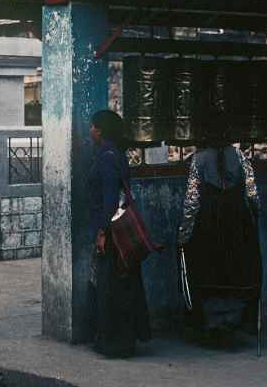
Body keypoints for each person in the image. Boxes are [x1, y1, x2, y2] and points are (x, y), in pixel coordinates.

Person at [178, 111, 262, 345]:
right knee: (235, 271)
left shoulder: (198, 159)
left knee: (210, 270)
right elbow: (252, 194)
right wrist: (254, 214)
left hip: (208, 223)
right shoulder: (240, 156)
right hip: (238, 222)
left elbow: (192, 201)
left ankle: (213, 324)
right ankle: (232, 321)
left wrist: (184, 233)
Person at [87, 109, 151, 358]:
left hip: (112, 231)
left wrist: (103, 232)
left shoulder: (106, 157)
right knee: (124, 284)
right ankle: (123, 339)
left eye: (92, 126)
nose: (90, 130)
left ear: (100, 130)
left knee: (111, 286)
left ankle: (114, 342)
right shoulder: (116, 154)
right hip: (120, 229)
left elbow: (111, 198)